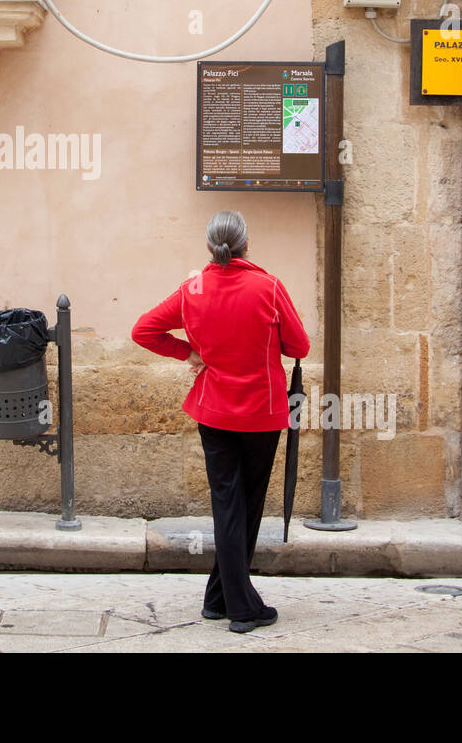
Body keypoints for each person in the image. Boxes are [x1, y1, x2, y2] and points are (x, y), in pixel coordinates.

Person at [131, 210, 310, 633]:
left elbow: (143, 330)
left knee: (228, 504)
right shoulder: (268, 286)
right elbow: (299, 343)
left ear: (210, 247)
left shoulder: (192, 288)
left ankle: (218, 597)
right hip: (261, 413)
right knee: (243, 506)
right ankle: (243, 608)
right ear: (246, 244)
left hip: (214, 411)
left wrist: (188, 354)